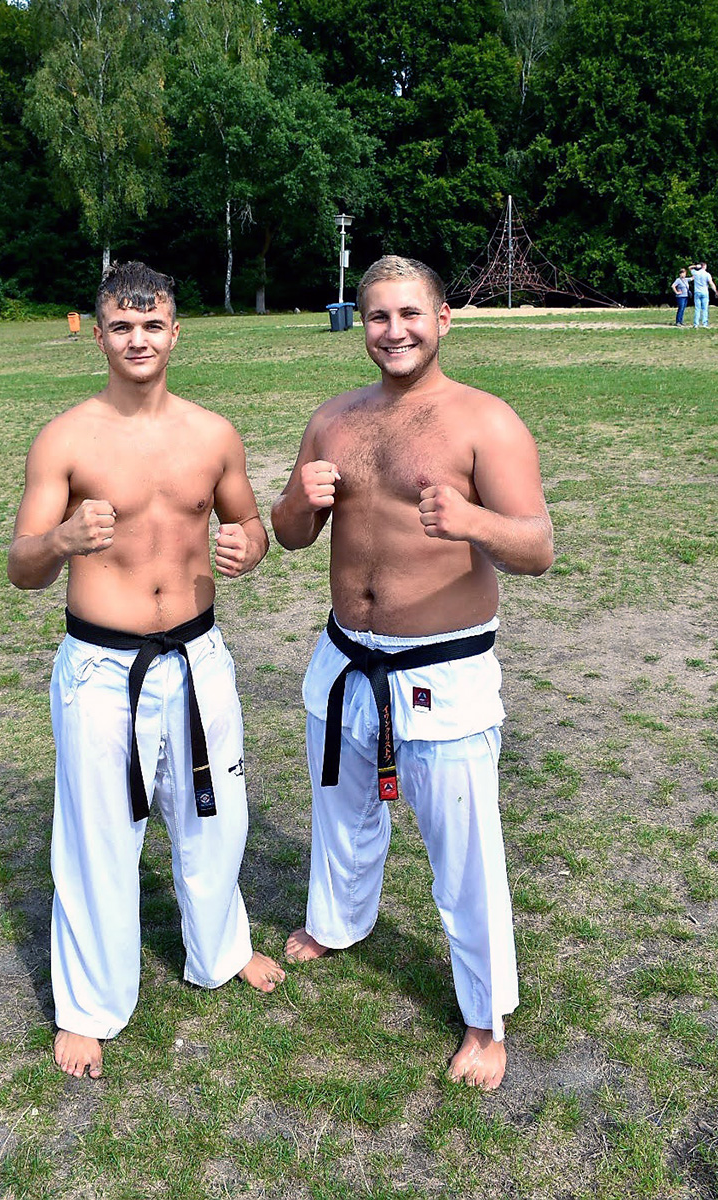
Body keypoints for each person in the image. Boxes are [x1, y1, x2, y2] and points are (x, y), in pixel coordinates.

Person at [271, 255, 553, 1091]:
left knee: (462, 853)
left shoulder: (484, 421)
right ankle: (336, 922)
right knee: (341, 814)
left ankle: (484, 1018)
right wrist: (299, 501)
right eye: (377, 317)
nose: (393, 331)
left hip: (442, 669)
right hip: (345, 660)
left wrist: (471, 521)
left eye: (409, 314)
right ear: (360, 325)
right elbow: (290, 534)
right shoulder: (333, 419)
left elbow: (536, 547)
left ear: (441, 320)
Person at [8, 261, 284, 1080]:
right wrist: (60, 540)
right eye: (122, 327)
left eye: (152, 324)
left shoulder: (212, 433)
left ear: (175, 333)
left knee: (217, 815)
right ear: (98, 336)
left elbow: (251, 524)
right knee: (98, 835)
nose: (138, 339)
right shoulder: (65, 439)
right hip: (102, 667)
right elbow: (21, 566)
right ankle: (90, 1006)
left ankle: (221, 948)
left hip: (198, 658)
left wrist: (248, 548)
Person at [688, 261, 716, 328]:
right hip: (705, 292)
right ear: (704, 266)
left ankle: (696, 324)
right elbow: (711, 283)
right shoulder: (707, 274)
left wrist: (695, 266)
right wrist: (715, 291)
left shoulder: (696, 273)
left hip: (697, 292)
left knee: (697, 308)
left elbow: (689, 268)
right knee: (705, 308)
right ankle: (704, 324)